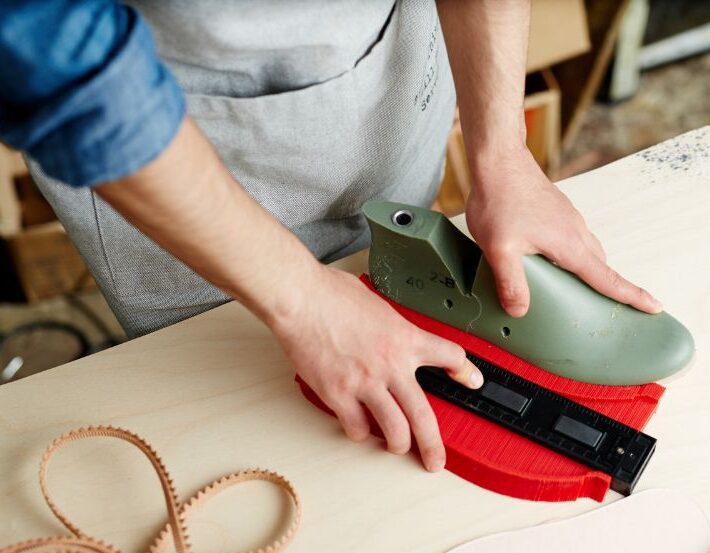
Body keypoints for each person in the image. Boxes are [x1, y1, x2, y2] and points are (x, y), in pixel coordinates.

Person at [0, 0, 661, 471]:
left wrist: (503, 153)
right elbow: (69, 78)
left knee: (392, 286)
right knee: (237, 407)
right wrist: (303, 302)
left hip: (373, 69)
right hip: (168, 137)